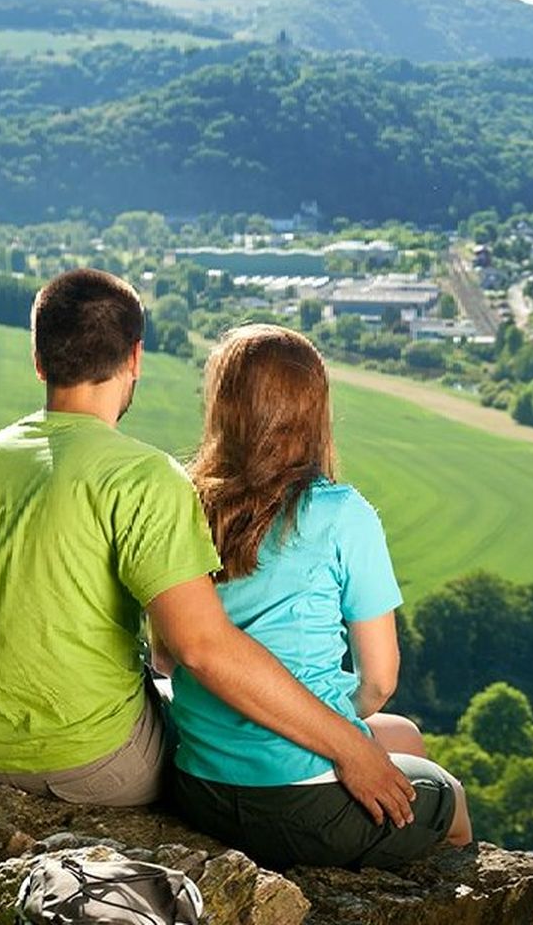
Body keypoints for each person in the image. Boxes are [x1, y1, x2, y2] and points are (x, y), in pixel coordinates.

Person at [0, 268, 414, 827]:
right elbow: (200, 649)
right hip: (91, 762)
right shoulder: (142, 478)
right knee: (375, 743)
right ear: (135, 357)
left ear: (39, 360)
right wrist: (350, 749)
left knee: (387, 734)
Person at [167, 323, 472, 870]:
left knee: (403, 734)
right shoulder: (340, 512)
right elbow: (379, 680)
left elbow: (167, 656)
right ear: (314, 410)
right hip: (298, 804)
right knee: (450, 797)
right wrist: (335, 725)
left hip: (201, 786)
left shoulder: (182, 503)